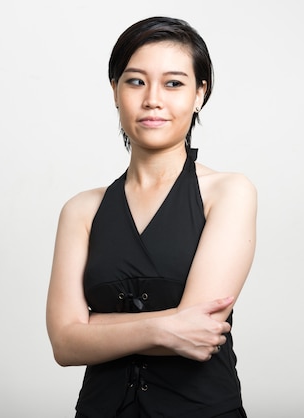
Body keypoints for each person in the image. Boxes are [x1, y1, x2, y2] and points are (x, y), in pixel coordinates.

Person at [46, 16, 257, 418]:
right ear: (115, 91)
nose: (152, 99)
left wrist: (93, 327)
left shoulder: (229, 192)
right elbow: (63, 343)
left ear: (200, 94)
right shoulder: (81, 210)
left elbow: (201, 333)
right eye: (135, 81)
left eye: (174, 83)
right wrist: (164, 328)